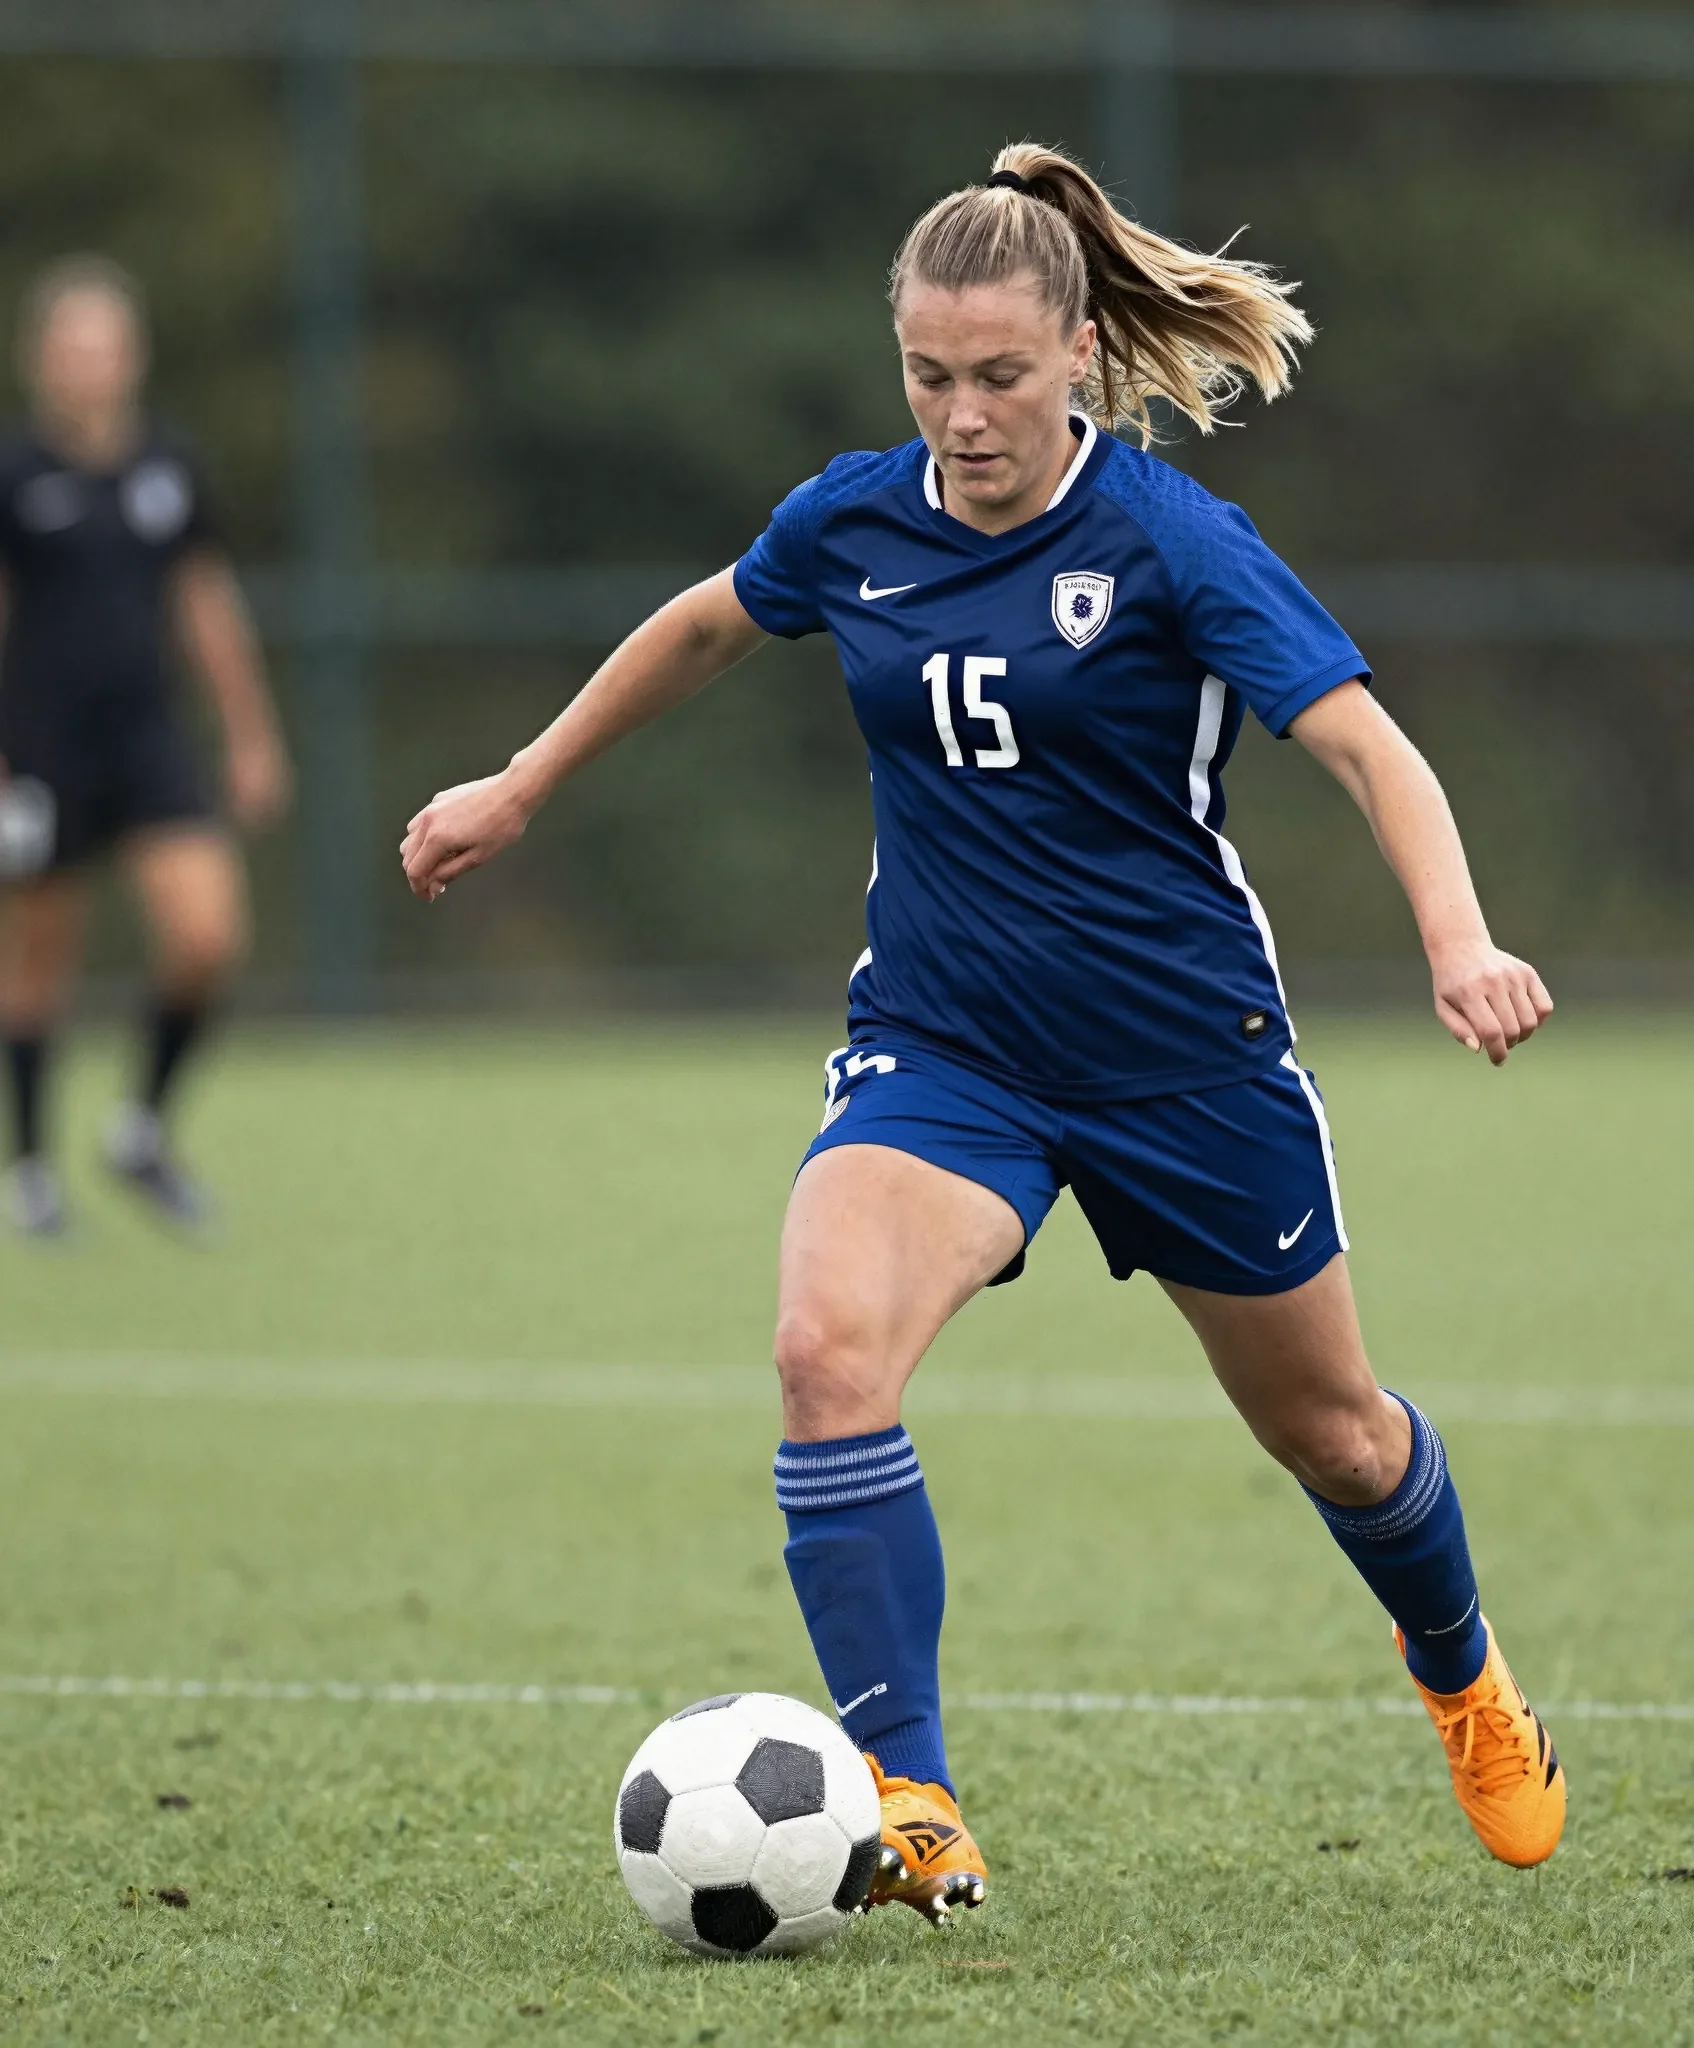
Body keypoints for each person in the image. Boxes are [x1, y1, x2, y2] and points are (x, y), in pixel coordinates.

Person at [402, 145, 1563, 1922]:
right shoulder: (855, 521)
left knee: (1333, 1431)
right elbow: (712, 623)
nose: (961, 416)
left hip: (1184, 1058)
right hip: (945, 1049)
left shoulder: (1173, 540)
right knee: (820, 1354)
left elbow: (1358, 744)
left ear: (1079, 353)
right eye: (929, 377)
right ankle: (907, 1792)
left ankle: (1462, 1672)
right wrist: (523, 781)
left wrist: (1455, 936)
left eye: (999, 377)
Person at [0, 256, 289, 1238]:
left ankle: (140, 1132)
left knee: (207, 935)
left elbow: (203, 601)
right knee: (41, 954)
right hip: (39, 746)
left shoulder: (169, 467)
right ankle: (32, 1168)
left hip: (148, 739)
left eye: (107, 345)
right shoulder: (15, 474)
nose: (90, 364)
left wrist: (250, 732)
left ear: (133, 359)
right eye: (71, 346)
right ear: (40, 359)